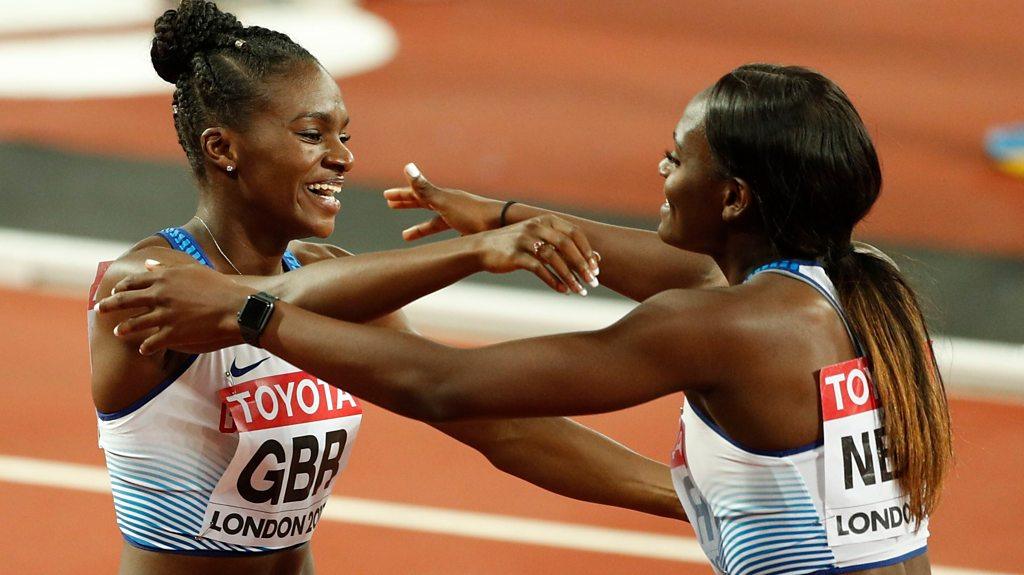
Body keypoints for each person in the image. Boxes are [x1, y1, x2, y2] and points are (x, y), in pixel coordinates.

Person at [101, 63, 954, 574]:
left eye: (678, 154)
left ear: (732, 196)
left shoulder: (720, 325)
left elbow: (448, 387)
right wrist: (502, 216)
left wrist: (249, 312)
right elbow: (678, 266)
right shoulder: (860, 285)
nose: (659, 165)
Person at [88, 2, 707, 573]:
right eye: (312, 135)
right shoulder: (143, 285)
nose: (343, 158)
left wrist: (697, 501)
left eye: (344, 135)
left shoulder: (327, 274)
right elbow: (242, 306)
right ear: (222, 147)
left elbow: (492, 421)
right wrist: (475, 250)